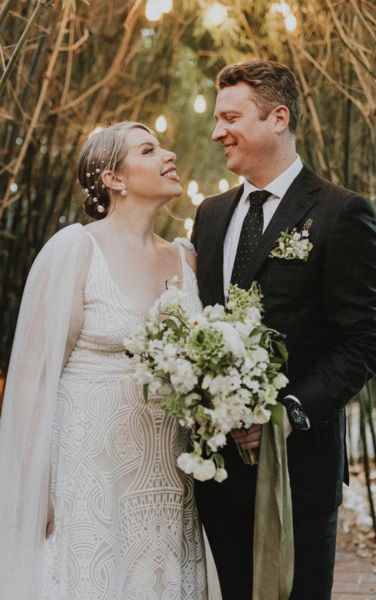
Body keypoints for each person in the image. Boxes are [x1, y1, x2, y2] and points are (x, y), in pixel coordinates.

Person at [191, 60, 376, 600]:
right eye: (216, 118)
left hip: (299, 472)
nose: (216, 132)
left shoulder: (341, 213)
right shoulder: (208, 216)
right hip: (218, 472)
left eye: (231, 117)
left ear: (278, 118)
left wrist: (287, 415)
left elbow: (366, 339)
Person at [0, 122, 209, 600]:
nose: (169, 154)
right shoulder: (74, 249)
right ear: (114, 178)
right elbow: (32, 380)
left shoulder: (186, 259)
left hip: (165, 473)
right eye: (149, 149)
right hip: (88, 474)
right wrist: (34, 488)